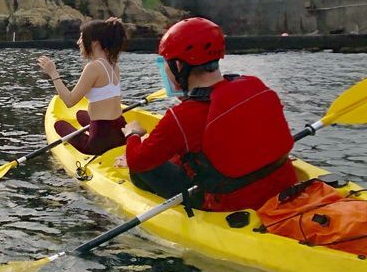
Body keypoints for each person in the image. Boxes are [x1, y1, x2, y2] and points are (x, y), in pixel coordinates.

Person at [119, 17, 297, 212]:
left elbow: (137, 161)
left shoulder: (181, 116)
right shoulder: (254, 84)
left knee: (140, 170)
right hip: (283, 185)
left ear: (178, 66)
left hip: (227, 203)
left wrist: (133, 135)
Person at [38, 17, 128, 155]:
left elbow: (69, 101)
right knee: (81, 114)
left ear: (95, 43)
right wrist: (108, 27)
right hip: (121, 129)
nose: (79, 42)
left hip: (101, 140)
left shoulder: (93, 67)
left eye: (82, 37)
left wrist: (53, 73)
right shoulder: (114, 64)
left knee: (59, 125)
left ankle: (89, 141)